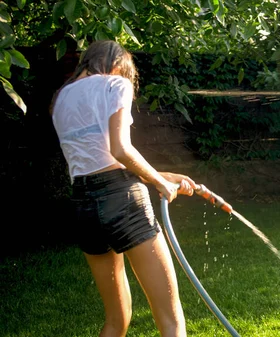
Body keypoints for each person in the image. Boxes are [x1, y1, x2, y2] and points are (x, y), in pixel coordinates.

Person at [50, 40, 197, 337]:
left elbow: (98, 161)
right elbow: (120, 150)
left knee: (117, 320)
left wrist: (165, 175)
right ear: (116, 66)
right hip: (123, 201)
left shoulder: (60, 98)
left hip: (83, 205)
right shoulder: (115, 84)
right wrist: (160, 184)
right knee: (171, 318)